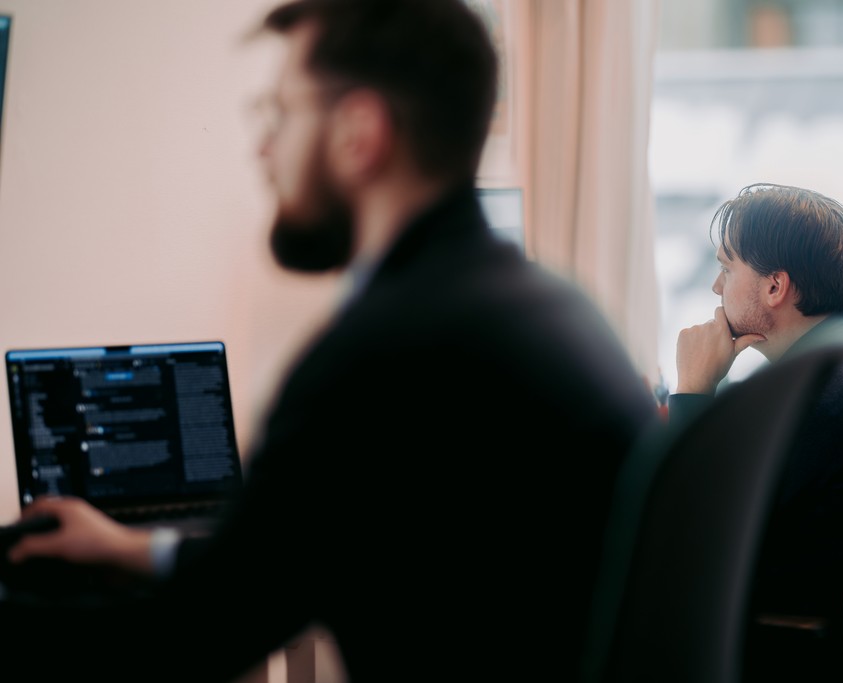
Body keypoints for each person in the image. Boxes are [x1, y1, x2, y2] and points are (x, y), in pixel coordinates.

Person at [0, 1, 658, 681]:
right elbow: (268, 563)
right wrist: (137, 550)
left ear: (358, 133)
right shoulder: (545, 305)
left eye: (279, 112)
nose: (264, 147)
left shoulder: (382, 352)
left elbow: (190, 633)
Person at [669, 183, 843, 631]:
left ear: (774, 286)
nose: (715, 285)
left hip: (798, 645)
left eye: (727, 268)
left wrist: (692, 389)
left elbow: (689, 540)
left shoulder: (814, 399)